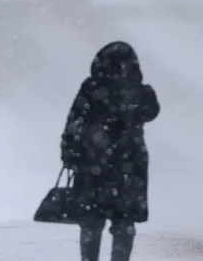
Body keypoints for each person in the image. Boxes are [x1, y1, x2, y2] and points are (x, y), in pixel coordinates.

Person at [60, 41, 160, 261]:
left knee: (92, 221)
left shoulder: (91, 88)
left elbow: (75, 121)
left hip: (93, 162)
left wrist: (70, 153)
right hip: (129, 163)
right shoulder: (138, 91)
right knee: (124, 221)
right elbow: (152, 112)